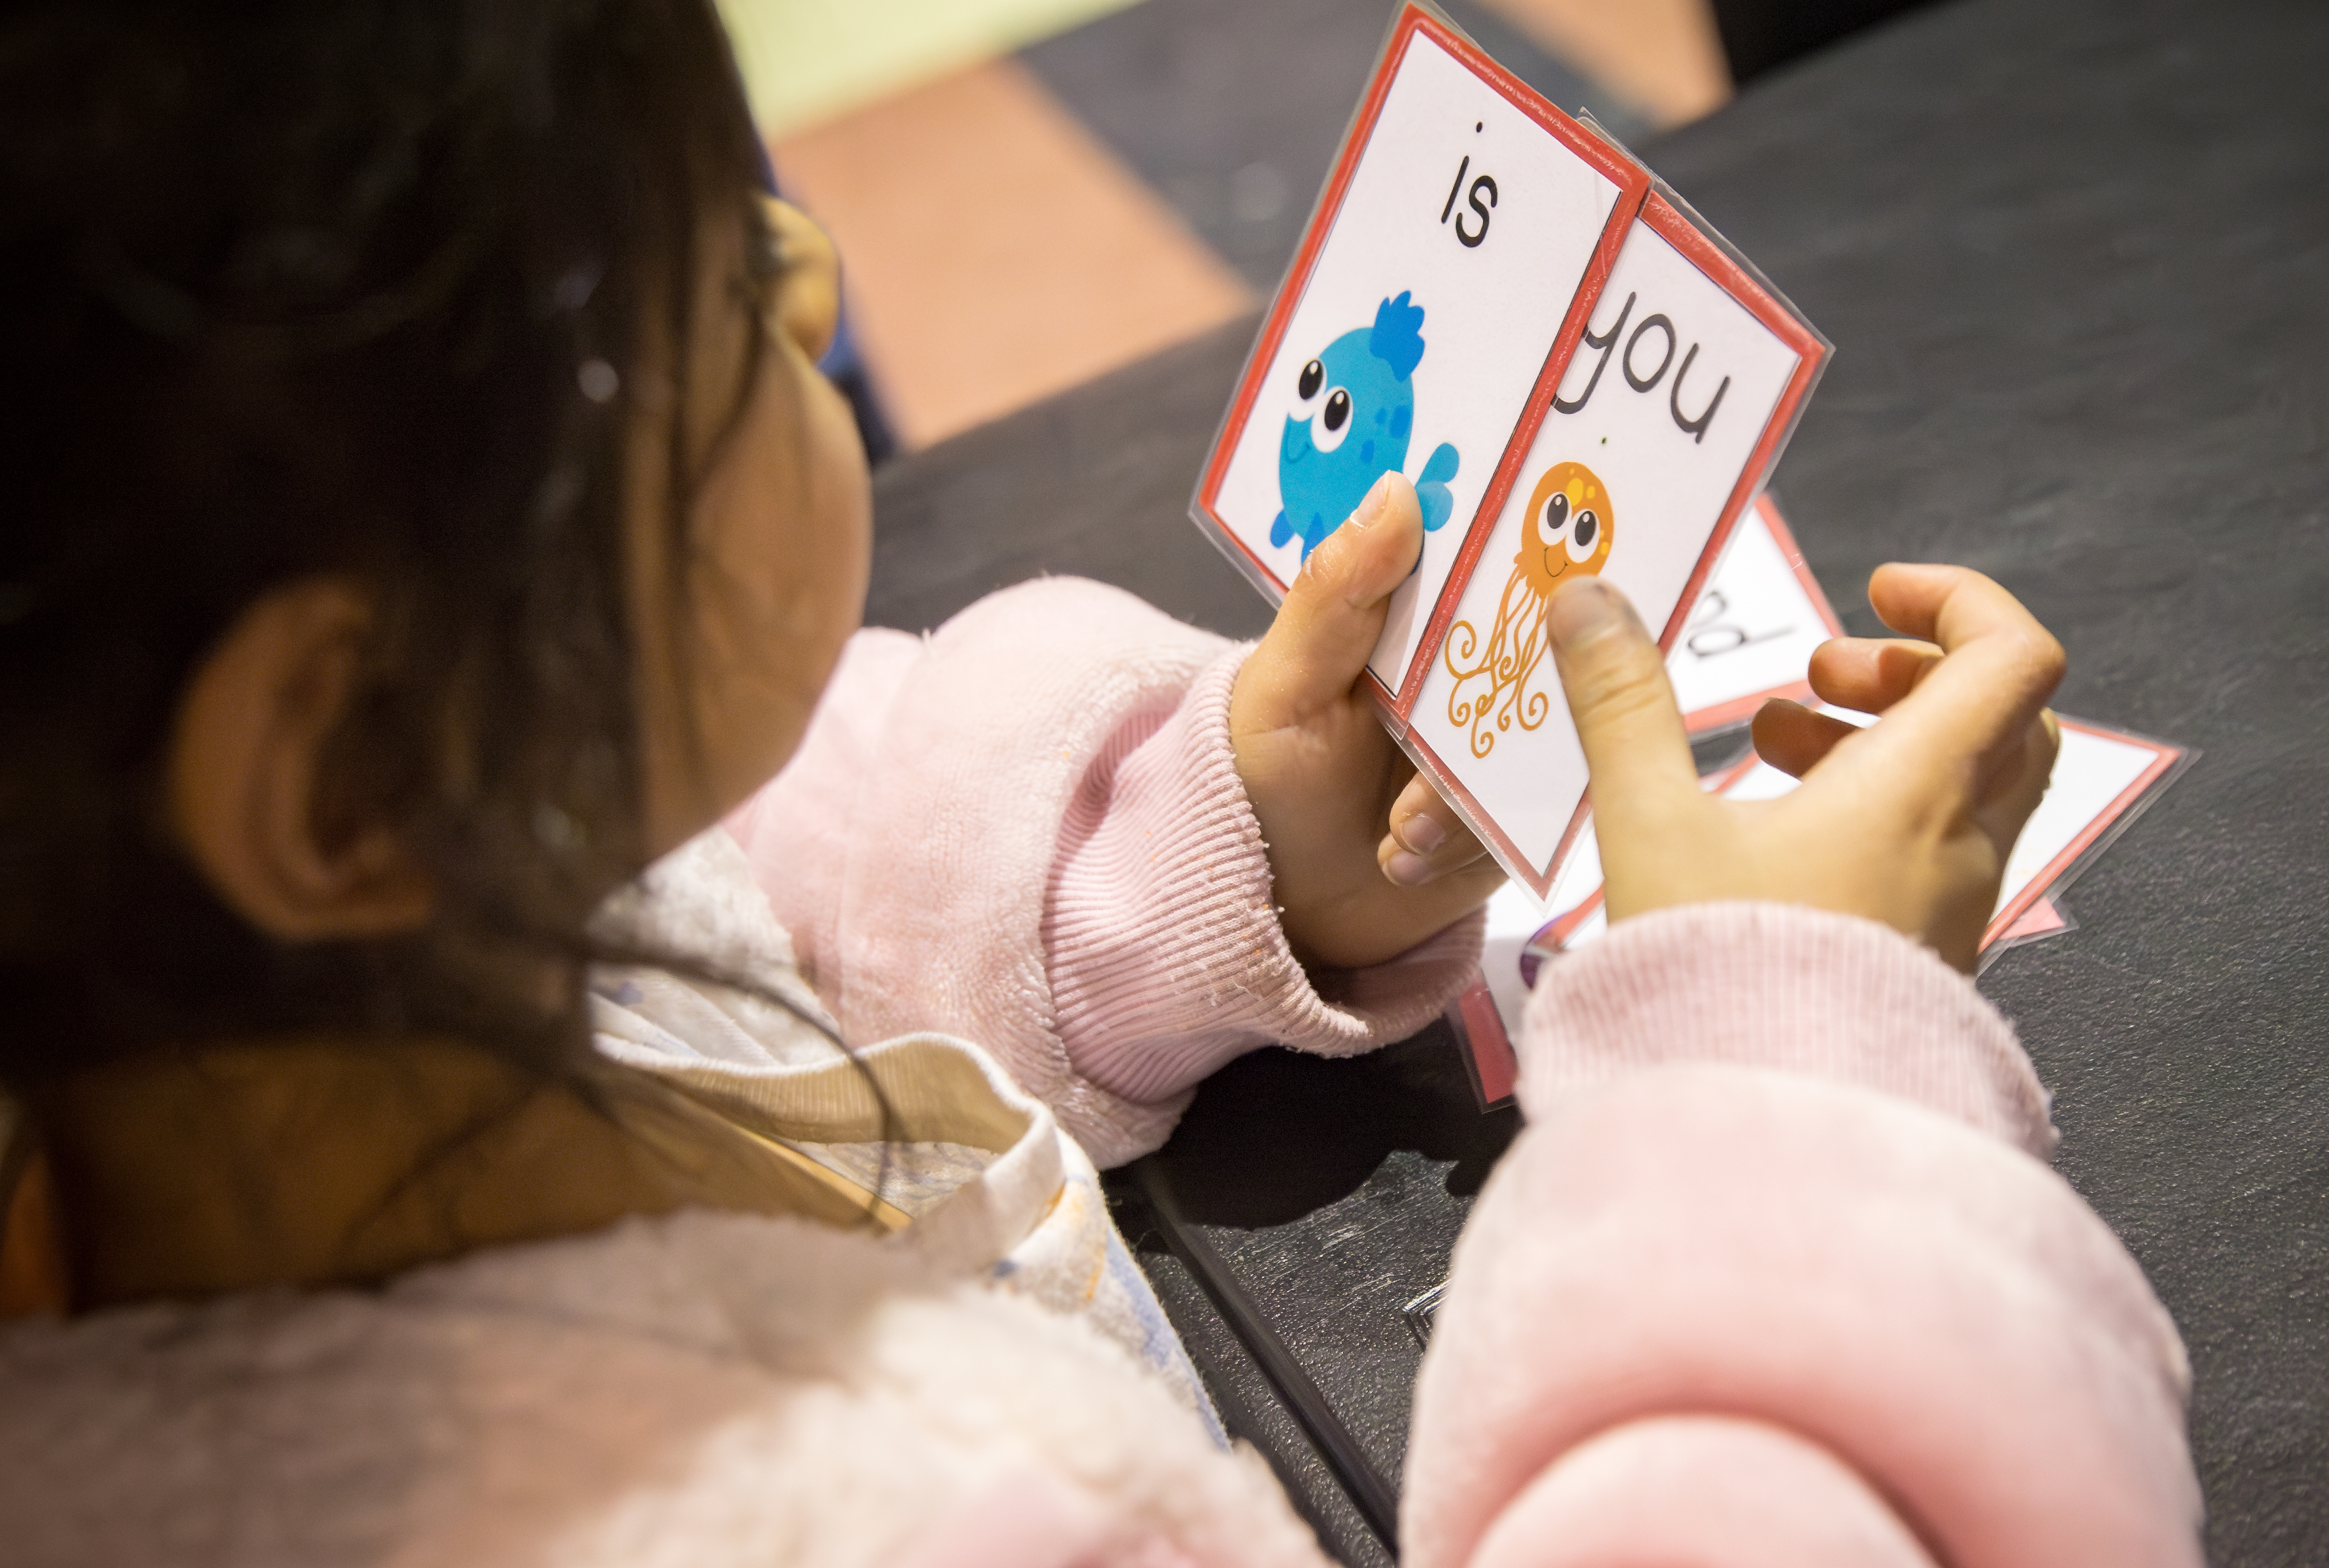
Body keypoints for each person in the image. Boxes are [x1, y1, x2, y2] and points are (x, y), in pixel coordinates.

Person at [0, 2, 2200, 1563]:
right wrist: (1790, 1088)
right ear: (362, 760)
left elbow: (756, 881)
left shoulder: (267, 972)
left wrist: (1193, 869)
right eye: (694, 274)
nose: (811, 261)